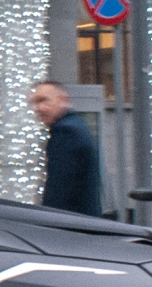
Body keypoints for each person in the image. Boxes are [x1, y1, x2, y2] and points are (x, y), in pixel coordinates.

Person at [30, 81, 103, 216]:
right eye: (34, 103)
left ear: (62, 100)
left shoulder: (64, 132)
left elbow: (59, 188)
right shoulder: (77, 125)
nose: (38, 108)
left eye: (43, 100)